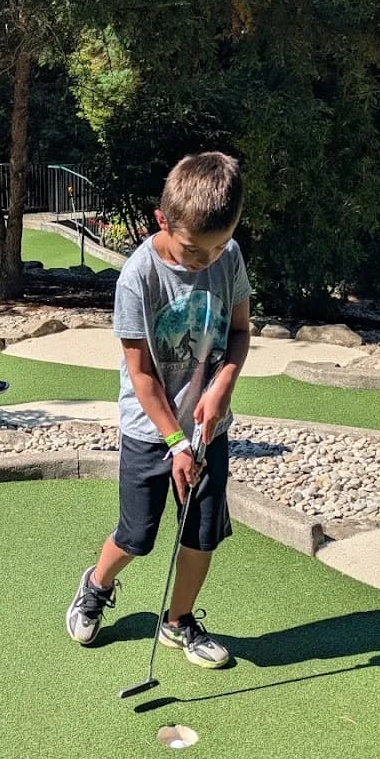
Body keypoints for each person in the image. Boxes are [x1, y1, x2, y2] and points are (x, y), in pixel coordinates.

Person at [66, 151, 251, 667]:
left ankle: (178, 621)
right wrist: (176, 444)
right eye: (195, 249)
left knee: (201, 532)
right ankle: (96, 584)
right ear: (162, 220)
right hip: (151, 430)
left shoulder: (229, 257)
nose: (206, 260)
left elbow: (239, 333)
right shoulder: (138, 277)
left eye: (218, 246)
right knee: (137, 535)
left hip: (208, 428)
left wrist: (222, 386)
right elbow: (142, 375)